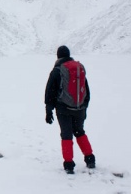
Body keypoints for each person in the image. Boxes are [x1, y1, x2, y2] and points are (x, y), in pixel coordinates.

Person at [44, 45, 96, 174]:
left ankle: (69, 165)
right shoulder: (79, 69)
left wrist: (48, 110)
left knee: (66, 135)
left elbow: (50, 91)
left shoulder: (57, 70)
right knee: (79, 131)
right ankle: (90, 159)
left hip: (63, 108)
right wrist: (84, 106)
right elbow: (86, 89)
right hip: (80, 107)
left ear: (58, 56)